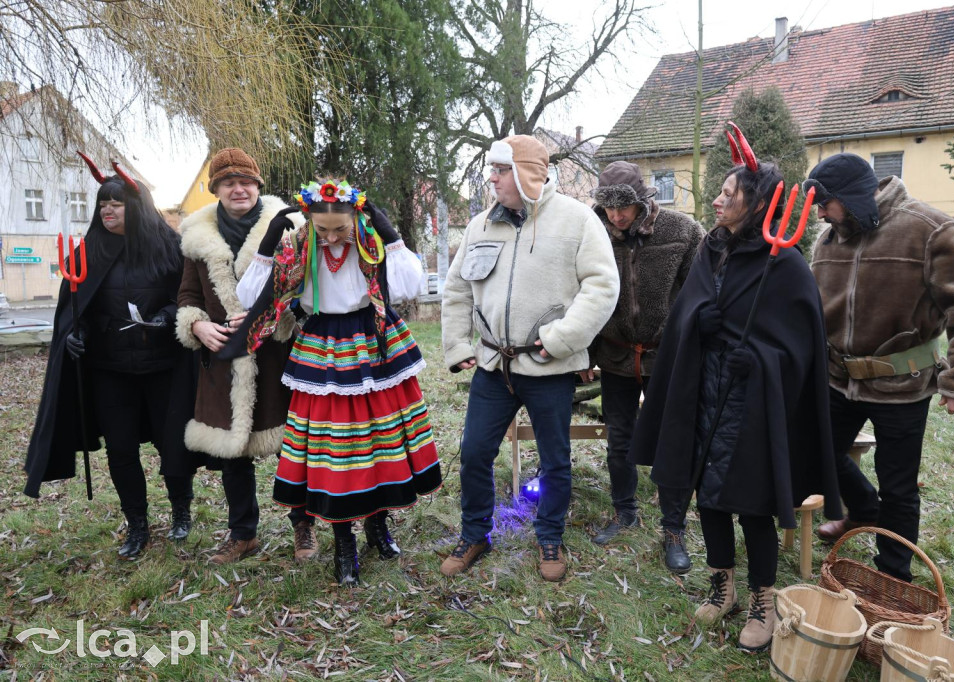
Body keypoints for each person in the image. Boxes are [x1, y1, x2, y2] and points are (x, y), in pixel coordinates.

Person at [630, 125, 841, 652]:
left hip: (754, 402)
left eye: (731, 192)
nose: (720, 198)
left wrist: (764, 358)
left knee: (751, 503)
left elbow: (803, 348)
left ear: (758, 203)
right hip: (705, 390)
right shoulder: (711, 250)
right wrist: (697, 323)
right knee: (711, 498)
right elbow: (687, 311)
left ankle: (762, 600)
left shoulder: (786, 264)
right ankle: (721, 583)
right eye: (721, 191)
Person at [231, 179, 441, 586]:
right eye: (322, 229)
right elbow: (250, 296)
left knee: (380, 440)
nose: (330, 238)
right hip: (322, 346)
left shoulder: (369, 243)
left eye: (338, 229)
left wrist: (391, 235)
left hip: (372, 342)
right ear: (309, 220)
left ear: (355, 218)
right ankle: (343, 539)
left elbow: (408, 286)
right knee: (335, 447)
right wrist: (269, 241)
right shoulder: (297, 248)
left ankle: (378, 525)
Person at [805, 153, 954, 582]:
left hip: (903, 385)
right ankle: (862, 509)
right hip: (838, 379)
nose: (819, 212)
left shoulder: (930, 230)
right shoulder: (828, 240)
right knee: (815, 452)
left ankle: (892, 575)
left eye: (825, 202)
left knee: (898, 487)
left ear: (854, 197)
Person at [440, 134, 619, 582]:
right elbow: (458, 289)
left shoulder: (577, 220)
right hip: (492, 367)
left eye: (501, 171)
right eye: (493, 170)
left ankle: (550, 536)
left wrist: (560, 340)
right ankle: (475, 532)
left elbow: (602, 287)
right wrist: (458, 345)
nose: (492, 178)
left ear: (525, 174)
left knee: (555, 460)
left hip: (549, 369)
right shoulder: (481, 225)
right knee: (475, 453)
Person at [24, 153, 198, 559]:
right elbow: (73, 308)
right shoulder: (87, 251)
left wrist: (168, 315)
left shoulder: (170, 247)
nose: (107, 211)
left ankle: (180, 511)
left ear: (134, 207)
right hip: (110, 370)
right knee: (120, 449)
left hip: (164, 368)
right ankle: (136, 524)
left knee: (173, 445)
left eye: (116, 203)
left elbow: (188, 296)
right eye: (103, 204)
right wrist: (74, 335)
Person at [175, 148, 303, 565]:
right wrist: (197, 325)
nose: (238, 189)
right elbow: (188, 296)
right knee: (234, 456)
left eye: (246, 181)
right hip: (224, 361)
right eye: (228, 182)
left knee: (294, 447)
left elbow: (301, 291)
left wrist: (274, 314)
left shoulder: (289, 229)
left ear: (258, 186)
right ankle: (243, 534)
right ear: (215, 190)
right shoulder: (198, 239)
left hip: (277, 358)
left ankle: (303, 528)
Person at [583, 161, 704, 575]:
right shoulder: (591, 230)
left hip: (665, 357)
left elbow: (701, 294)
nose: (617, 216)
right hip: (614, 354)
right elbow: (579, 291)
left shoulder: (682, 231)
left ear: (643, 201)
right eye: (609, 208)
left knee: (672, 442)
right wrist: (584, 352)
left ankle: (674, 528)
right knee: (619, 439)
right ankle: (625, 511)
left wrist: (690, 349)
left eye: (625, 207)